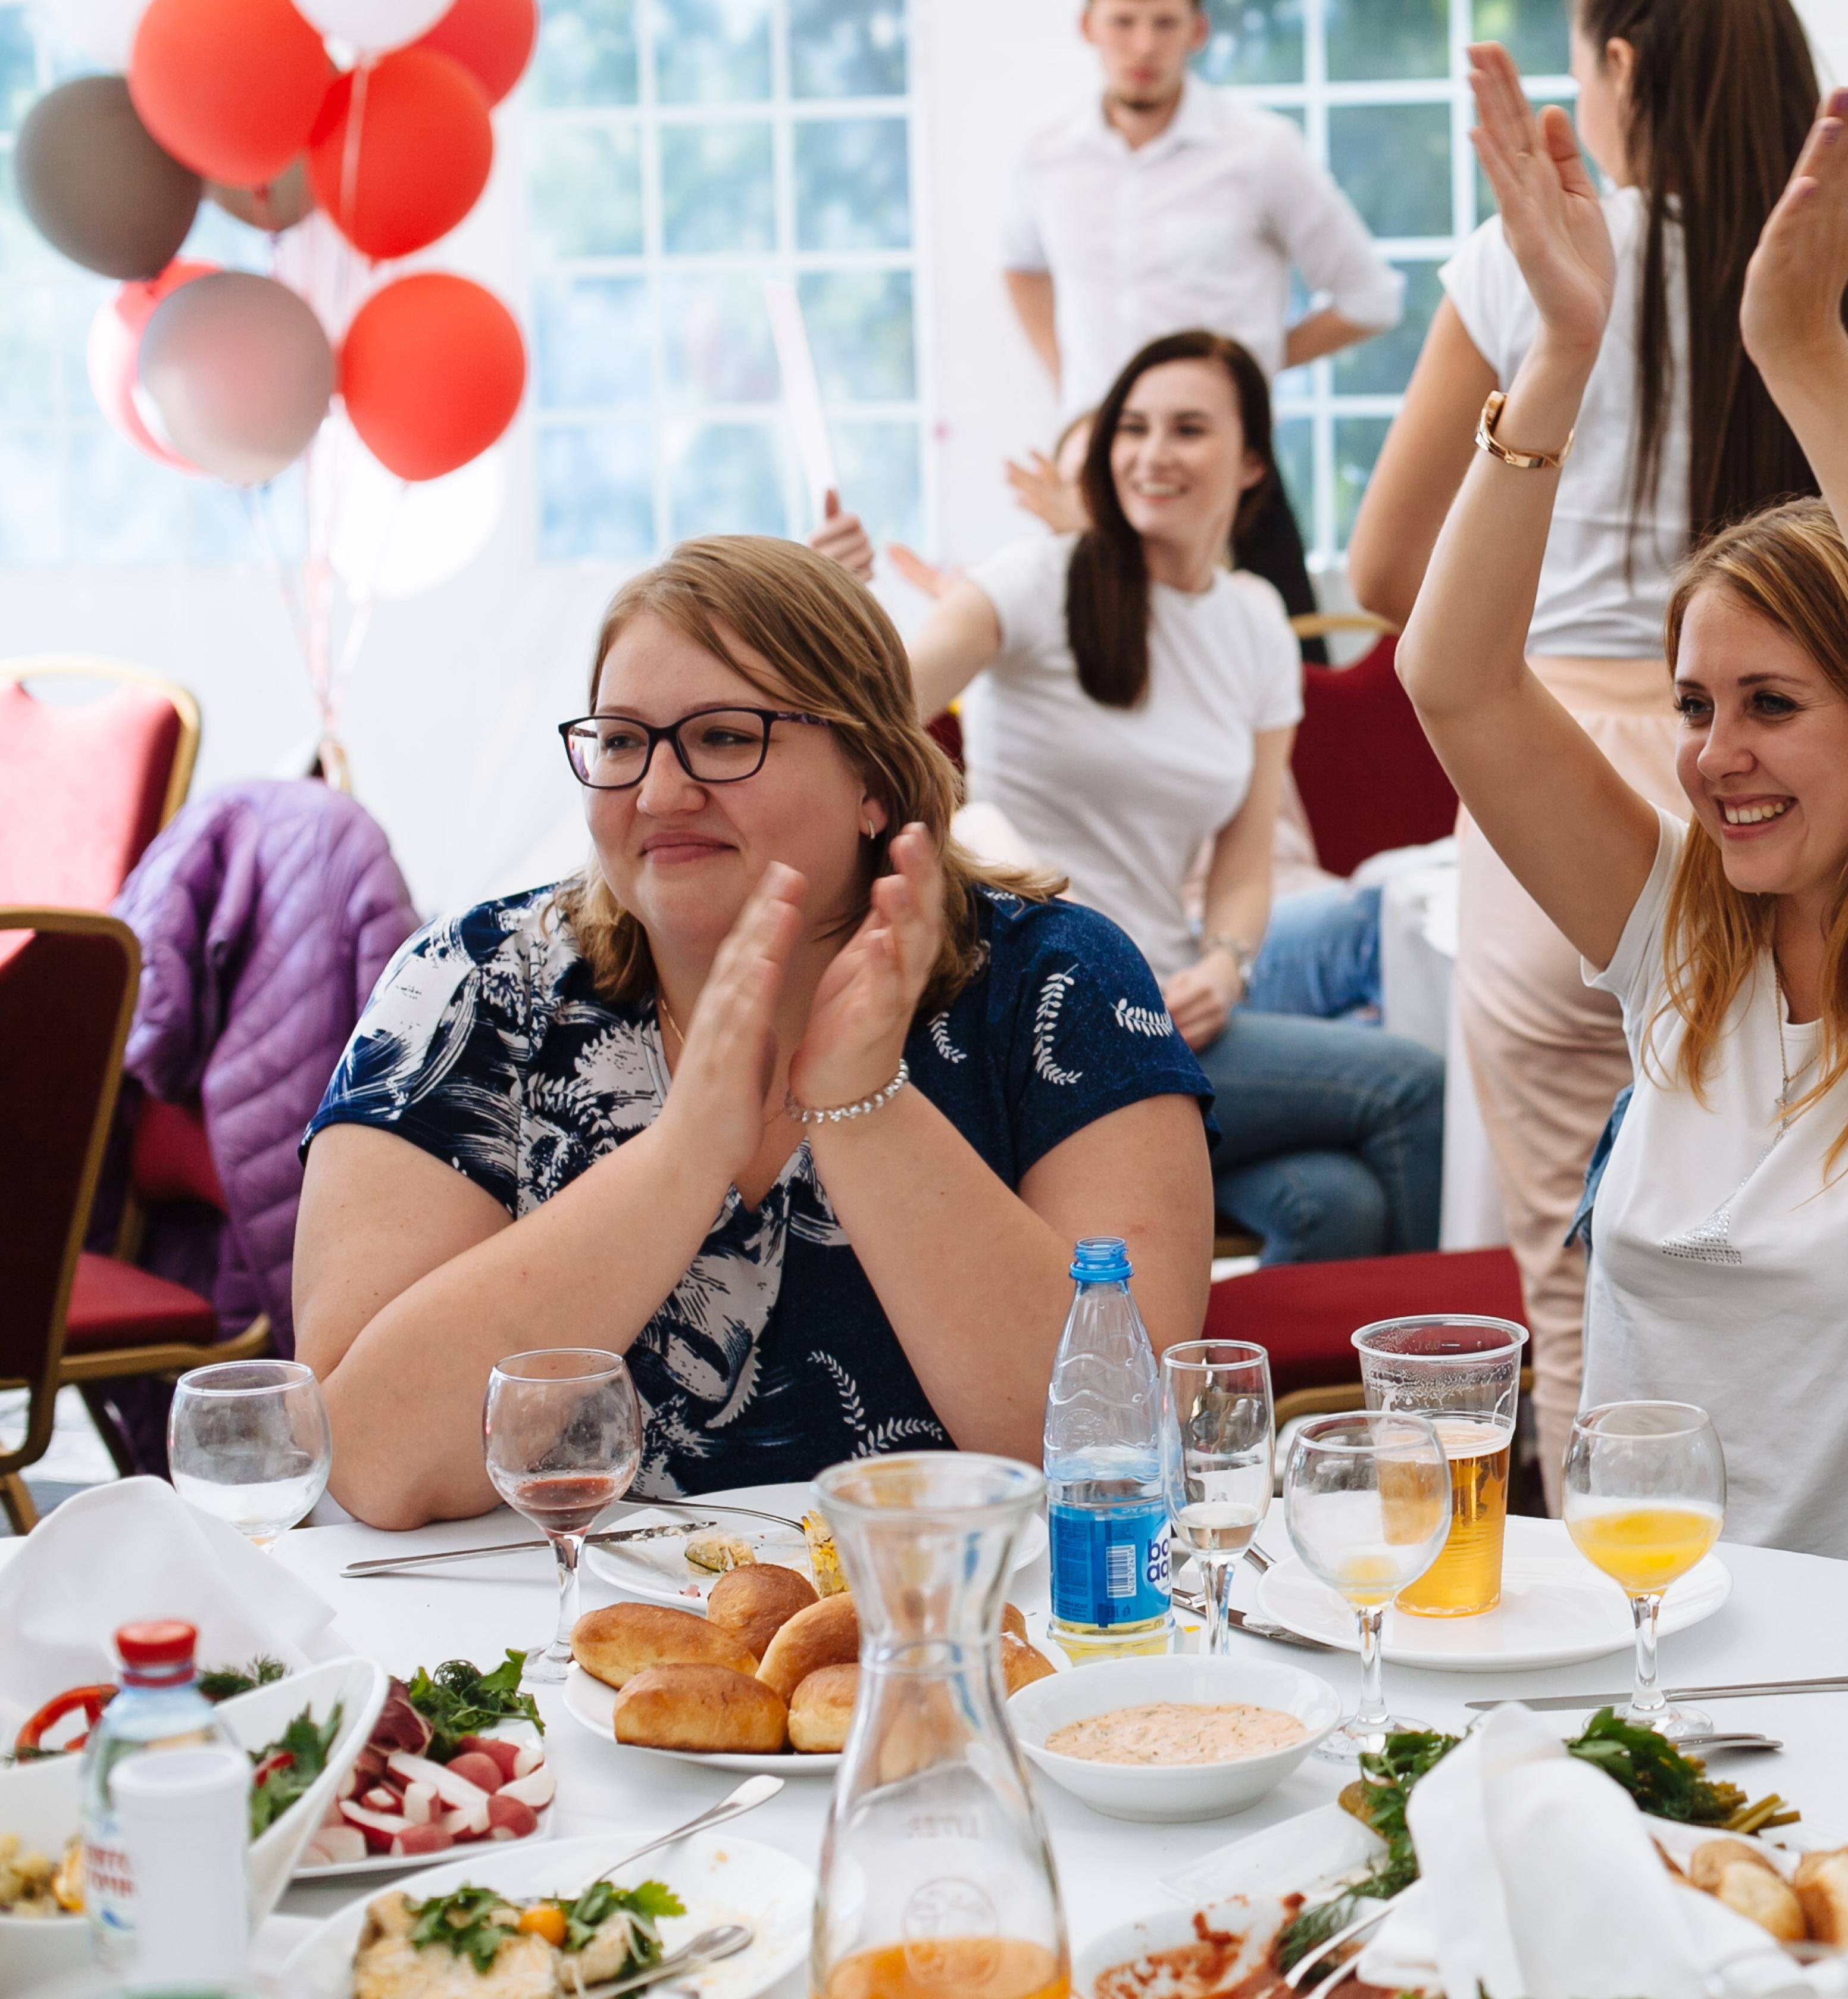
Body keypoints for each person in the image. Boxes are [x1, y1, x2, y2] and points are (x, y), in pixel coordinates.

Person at [1397, 44, 1848, 1589]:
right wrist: (1560, 347)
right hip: (1642, 1681)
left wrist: (1805, 355)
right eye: (1693, 705)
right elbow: (1454, 680)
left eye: (1774, 704)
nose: (1714, 754)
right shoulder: (1684, 941)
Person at [1345, 0, 1848, 1478]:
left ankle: (1628, 1615)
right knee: (1840, 1214)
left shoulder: (1534, 265)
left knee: (1573, 1263)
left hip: (1551, 766)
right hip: (1818, 783)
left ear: (1621, 71)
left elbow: (1384, 572)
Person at [292, 538, 1214, 1524]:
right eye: (620, 742)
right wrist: (687, 1155)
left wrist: (862, 1106)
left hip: (963, 1638)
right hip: (548, 1641)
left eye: (726, 737)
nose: (657, 792)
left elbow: (1125, 1456)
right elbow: (372, 1460)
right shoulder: (475, 987)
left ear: (875, 780)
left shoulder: (1055, 983)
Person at [891, 332, 1443, 1263]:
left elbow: (1241, 860)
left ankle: (1218, 1411)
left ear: (1253, 461)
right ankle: (1450, 1394)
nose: (1152, 454)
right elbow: (877, 707)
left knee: (1337, 1206)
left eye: (1188, 429)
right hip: (1055, 1001)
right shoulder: (1038, 579)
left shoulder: (1257, 621)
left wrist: (1226, 967)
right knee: (1415, 1087)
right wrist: (972, 826)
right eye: (1133, 428)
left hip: (1171, 1000)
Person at [999, 0, 1405, 414]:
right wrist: (1065, 377)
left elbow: (1371, 300)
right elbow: (1021, 264)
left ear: (1198, 31)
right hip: (1091, 454)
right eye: (1123, 23)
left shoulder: (1263, 149)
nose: (1145, 46)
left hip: (1225, 455)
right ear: (1088, 27)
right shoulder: (1045, 156)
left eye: (1165, 23)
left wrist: (1244, 373)